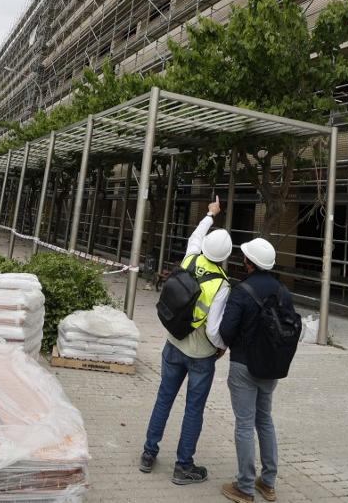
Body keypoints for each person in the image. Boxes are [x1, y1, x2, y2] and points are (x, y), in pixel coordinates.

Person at [140, 195, 232, 485]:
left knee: (163, 399)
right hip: (200, 355)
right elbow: (214, 328)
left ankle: (148, 453)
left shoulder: (191, 257)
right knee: (194, 409)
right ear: (227, 256)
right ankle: (183, 467)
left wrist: (210, 214)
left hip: (173, 344)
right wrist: (221, 348)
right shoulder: (222, 283)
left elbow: (195, 236)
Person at [219, 237, 288, 503]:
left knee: (245, 425)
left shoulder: (242, 291)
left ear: (249, 263)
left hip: (243, 366)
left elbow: (226, 331)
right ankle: (268, 482)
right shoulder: (283, 292)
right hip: (271, 368)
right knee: (265, 420)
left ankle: (245, 487)